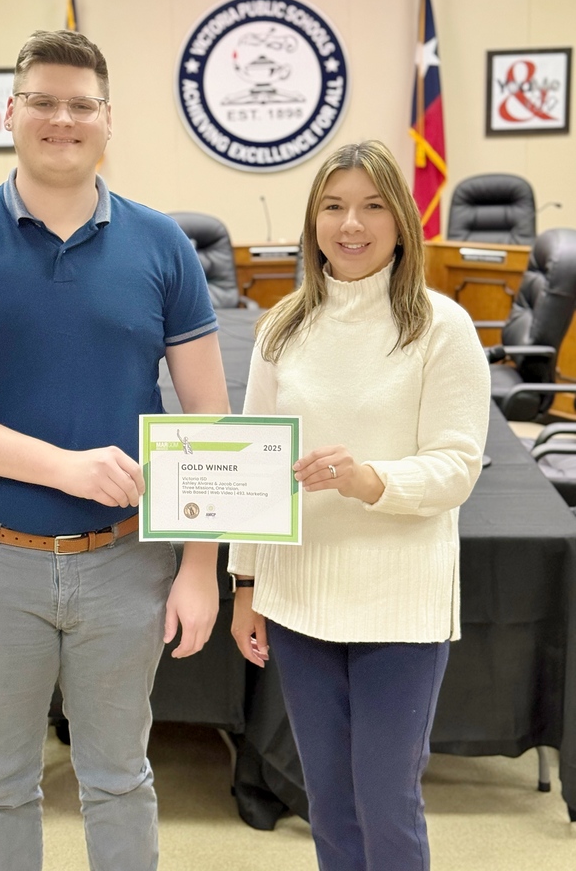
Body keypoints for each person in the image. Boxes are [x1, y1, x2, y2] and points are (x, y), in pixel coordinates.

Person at [0, 29, 229, 871]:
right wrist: (63, 466)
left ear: (108, 121)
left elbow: (209, 416)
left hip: (125, 564)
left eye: (81, 105)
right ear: (12, 112)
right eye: (42, 100)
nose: (61, 119)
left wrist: (196, 567)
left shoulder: (160, 245)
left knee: (119, 777)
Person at [229, 140, 490, 871]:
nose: (352, 223)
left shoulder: (441, 327)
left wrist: (369, 479)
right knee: (331, 805)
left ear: (402, 221)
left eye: (373, 205)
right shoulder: (282, 327)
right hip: (302, 594)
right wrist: (246, 585)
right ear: (313, 222)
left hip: (399, 602)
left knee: (386, 804)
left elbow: (457, 468)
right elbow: (253, 466)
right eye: (334, 206)